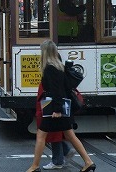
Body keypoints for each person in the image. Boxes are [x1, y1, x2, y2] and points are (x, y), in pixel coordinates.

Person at [26, 40, 95, 172]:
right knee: (70, 135)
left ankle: (35, 166)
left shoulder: (50, 69)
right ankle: (88, 161)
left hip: (54, 108)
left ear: (45, 52)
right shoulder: (59, 66)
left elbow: (56, 91)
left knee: (41, 136)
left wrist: (57, 110)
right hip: (62, 107)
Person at [36, 82, 75, 170]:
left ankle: (57, 161)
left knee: (53, 133)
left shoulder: (51, 71)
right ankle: (65, 151)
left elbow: (56, 91)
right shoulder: (55, 72)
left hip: (51, 106)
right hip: (53, 106)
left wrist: (56, 109)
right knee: (57, 132)